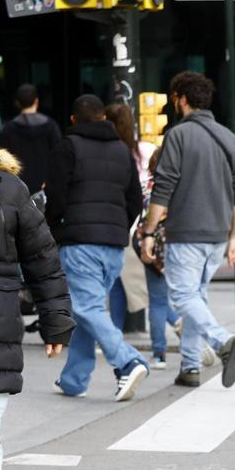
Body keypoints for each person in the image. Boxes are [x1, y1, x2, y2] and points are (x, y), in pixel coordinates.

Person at [0, 131, 74, 470]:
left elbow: (42, 257)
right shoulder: (9, 190)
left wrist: (56, 318)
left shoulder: (11, 190)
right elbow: (43, 257)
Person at [141, 71, 235, 389]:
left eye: (175, 99)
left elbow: (164, 187)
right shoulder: (231, 138)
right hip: (217, 234)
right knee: (196, 297)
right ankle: (190, 366)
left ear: (182, 99)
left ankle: (223, 341)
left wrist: (149, 232)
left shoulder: (178, 135)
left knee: (184, 296)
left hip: (186, 231)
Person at [45, 95, 149, 401]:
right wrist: (119, 228)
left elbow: (57, 197)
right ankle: (74, 380)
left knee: (86, 307)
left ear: (74, 120)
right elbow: (134, 200)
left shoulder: (68, 146)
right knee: (87, 308)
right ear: (103, 118)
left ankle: (128, 362)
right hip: (114, 245)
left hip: (79, 242)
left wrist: (55, 229)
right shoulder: (122, 150)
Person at [105, 104, 150, 339]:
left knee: (124, 285)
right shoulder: (140, 150)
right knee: (125, 284)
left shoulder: (114, 152)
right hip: (135, 226)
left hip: (119, 227)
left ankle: (177, 320)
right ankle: (114, 333)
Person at [139, 148, 180, 370]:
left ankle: (159, 354)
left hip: (153, 248)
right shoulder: (178, 186)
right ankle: (195, 345)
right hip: (178, 244)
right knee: (186, 295)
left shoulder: (148, 187)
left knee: (157, 300)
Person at [0, 83, 60, 204]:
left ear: (17, 103)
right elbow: (58, 156)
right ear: (36, 101)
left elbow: (3, 160)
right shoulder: (50, 126)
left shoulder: (9, 129)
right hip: (45, 187)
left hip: (18, 188)